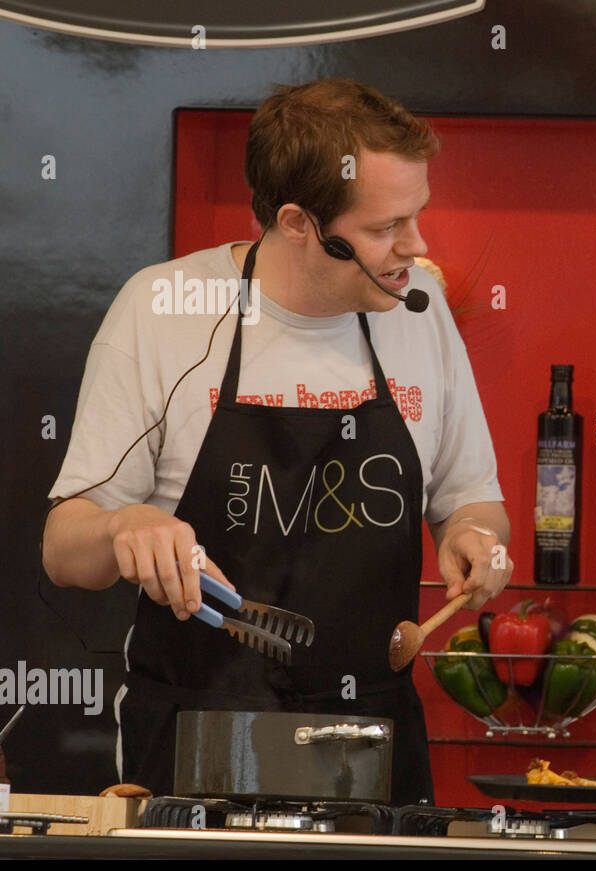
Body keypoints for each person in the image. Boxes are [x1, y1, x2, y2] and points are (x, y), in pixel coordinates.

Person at [42, 79, 512, 805]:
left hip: (372, 749)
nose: (417, 248)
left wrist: (478, 539)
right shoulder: (164, 309)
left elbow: (472, 502)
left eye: (416, 216)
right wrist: (123, 524)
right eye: (388, 227)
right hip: (191, 748)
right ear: (299, 222)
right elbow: (65, 548)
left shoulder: (420, 313)